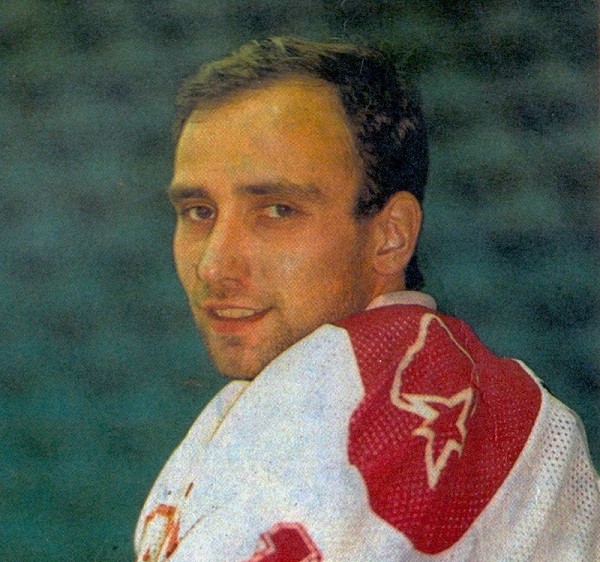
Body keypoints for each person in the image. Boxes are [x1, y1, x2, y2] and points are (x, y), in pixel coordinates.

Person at [134, 37, 599, 561]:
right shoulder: (492, 393)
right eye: (198, 212)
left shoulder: (349, 394)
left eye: (278, 210)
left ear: (390, 235)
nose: (213, 265)